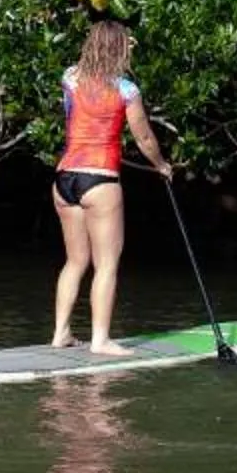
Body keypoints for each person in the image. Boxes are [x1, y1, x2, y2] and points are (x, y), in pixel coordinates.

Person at [49, 18, 172, 356]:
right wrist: (161, 165)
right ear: (120, 49)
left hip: (65, 179)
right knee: (106, 264)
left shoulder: (69, 77)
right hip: (99, 179)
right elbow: (144, 137)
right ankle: (100, 340)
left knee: (75, 261)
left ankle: (61, 333)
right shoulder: (126, 90)